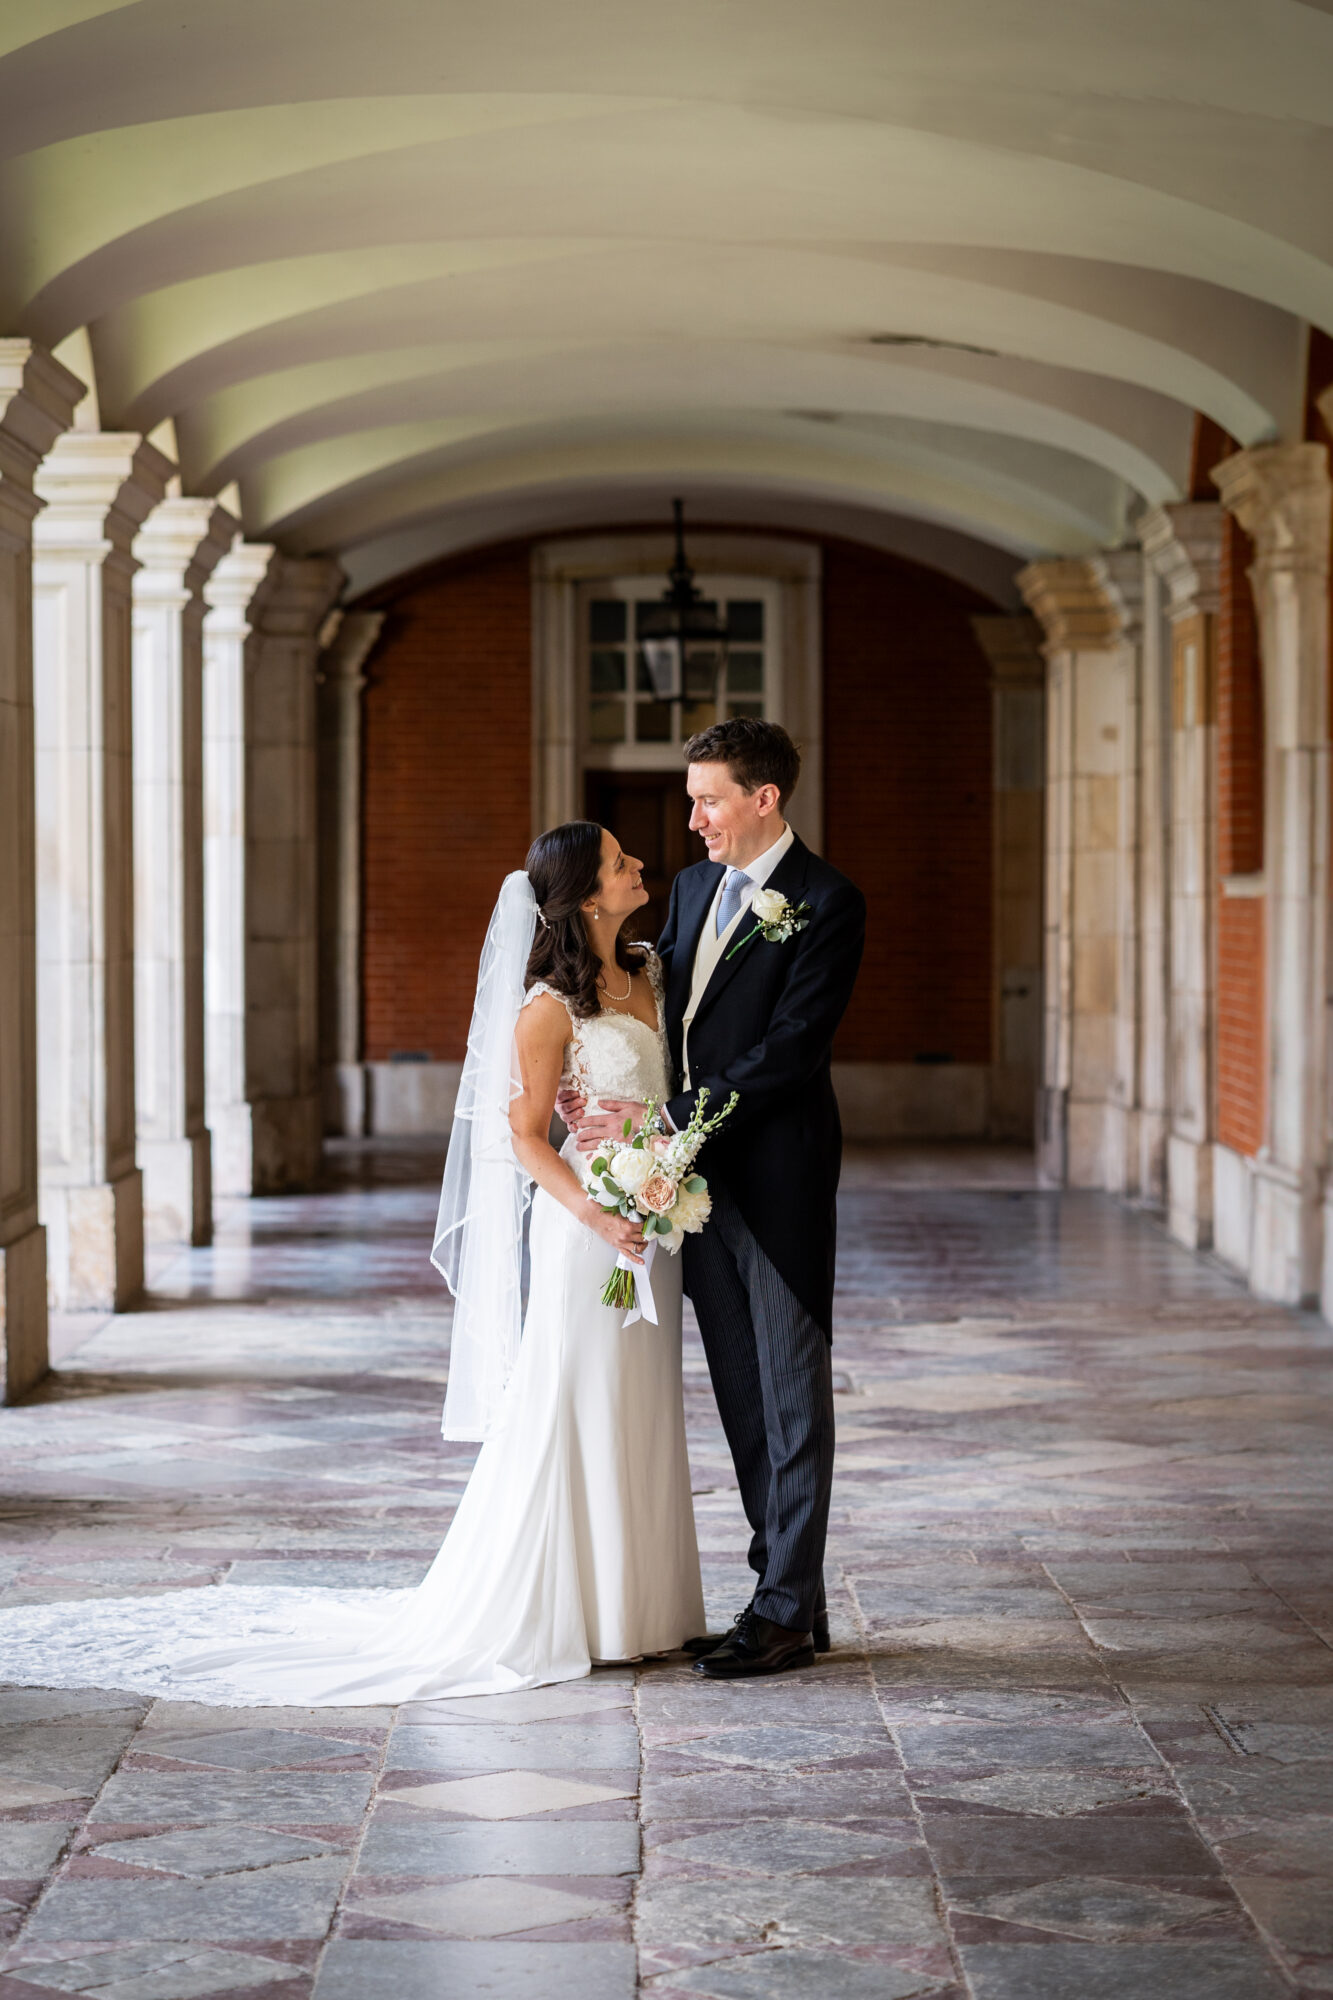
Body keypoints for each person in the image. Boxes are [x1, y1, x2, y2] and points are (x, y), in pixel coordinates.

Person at [0, 823, 704, 1704]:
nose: (638, 863)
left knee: (640, 1403)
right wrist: (598, 1212)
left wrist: (659, 1184)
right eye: (617, 860)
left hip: (656, 1219)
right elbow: (523, 1137)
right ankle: (576, 1613)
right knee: (577, 1403)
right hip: (587, 1225)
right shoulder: (544, 1010)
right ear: (587, 894)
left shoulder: (651, 973)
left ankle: (643, 1611)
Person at [568, 719, 865, 1679]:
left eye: (707, 799)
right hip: (690, 1188)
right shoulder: (693, 891)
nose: (692, 821)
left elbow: (789, 1049)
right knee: (741, 1394)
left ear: (762, 798)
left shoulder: (826, 901)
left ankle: (779, 1610)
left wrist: (677, 1122)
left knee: (790, 1396)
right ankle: (785, 1596)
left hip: (774, 1179)